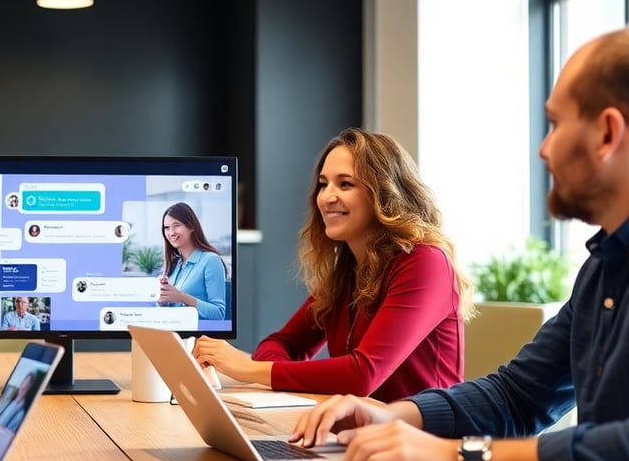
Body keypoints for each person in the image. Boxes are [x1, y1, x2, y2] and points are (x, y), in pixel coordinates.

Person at [293, 23, 629, 461]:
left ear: (607, 133)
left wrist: (460, 458)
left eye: (555, 124)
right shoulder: (604, 266)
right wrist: (392, 417)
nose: (544, 149)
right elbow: (518, 397)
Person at [192, 128, 472, 402]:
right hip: (361, 434)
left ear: (385, 193)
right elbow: (281, 344)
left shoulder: (425, 262)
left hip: (424, 441)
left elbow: (362, 375)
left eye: (345, 183)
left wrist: (248, 368)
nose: (326, 197)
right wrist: (273, 373)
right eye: (323, 184)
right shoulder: (347, 270)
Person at [157, 201, 228, 320]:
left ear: (190, 226)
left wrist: (181, 297)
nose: (171, 232)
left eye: (176, 225)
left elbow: (219, 314)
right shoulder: (173, 265)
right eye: (167, 228)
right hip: (171, 334)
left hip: (197, 337)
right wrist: (160, 297)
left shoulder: (211, 261)